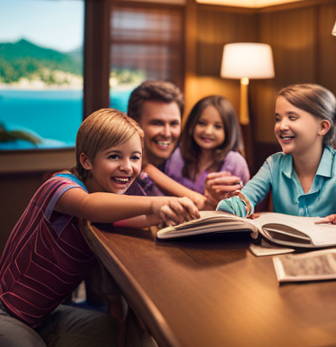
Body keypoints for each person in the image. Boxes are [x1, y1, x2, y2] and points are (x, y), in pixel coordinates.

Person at [0, 108, 199, 347]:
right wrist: (157, 203)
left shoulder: (104, 202)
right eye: (114, 156)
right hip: (6, 311)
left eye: (135, 157)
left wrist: (169, 213)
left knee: (104, 327)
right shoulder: (59, 186)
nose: (128, 167)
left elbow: (136, 218)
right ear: (86, 161)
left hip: (42, 315)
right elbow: (88, 205)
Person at [213, 83, 336, 224]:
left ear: (322, 127)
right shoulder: (273, 165)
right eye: (278, 118)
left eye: (292, 117)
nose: (281, 126)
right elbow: (247, 198)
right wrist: (232, 205)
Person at [124, 81, 211, 208]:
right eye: (157, 123)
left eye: (174, 124)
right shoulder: (124, 172)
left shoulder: (184, 161)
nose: (167, 133)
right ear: (134, 122)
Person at [164, 95, 250, 194]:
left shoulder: (235, 163)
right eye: (202, 123)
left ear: (228, 131)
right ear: (192, 124)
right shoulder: (177, 156)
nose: (208, 131)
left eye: (217, 126)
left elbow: (245, 203)